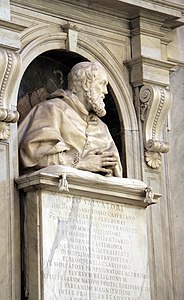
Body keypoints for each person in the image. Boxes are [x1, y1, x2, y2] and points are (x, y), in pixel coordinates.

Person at [18, 61, 122, 177]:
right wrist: (82, 163)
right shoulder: (51, 110)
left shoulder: (102, 128)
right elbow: (32, 157)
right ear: (86, 84)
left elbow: (114, 169)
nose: (105, 91)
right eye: (102, 84)